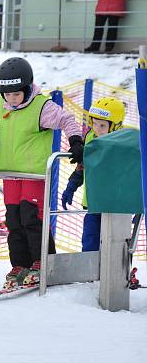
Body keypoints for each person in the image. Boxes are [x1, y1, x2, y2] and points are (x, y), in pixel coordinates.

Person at [0, 57, 83, 288]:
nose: (11, 99)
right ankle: (20, 264)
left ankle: (43, 262)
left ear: (27, 88)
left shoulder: (41, 107)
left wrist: (75, 141)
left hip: (34, 174)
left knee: (31, 218)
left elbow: (67, 120)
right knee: (13, 220)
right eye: (7, 94)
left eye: (16, 94)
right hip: (12, 173)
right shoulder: (1, 103)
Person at [61, 97, 126, 252]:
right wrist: (71, 186)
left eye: (102, 125)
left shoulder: (122, 144)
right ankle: (90, 273)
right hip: (93, 203)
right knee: (90, 239)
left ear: (115, 126)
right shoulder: (90, 137)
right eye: (94, 123)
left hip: (114, 205)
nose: (97, 128)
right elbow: (82, 167)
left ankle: (118, 274)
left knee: (115, 244)